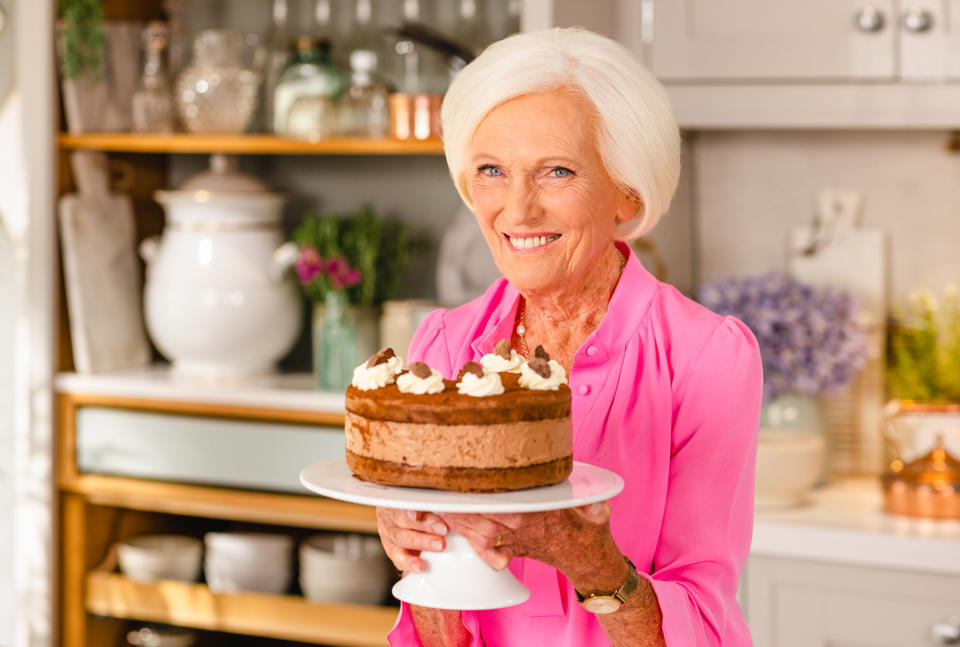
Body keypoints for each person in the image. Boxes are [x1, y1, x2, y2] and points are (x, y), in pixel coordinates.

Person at [376, 27, 763, 647]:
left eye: (556, 171)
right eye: (492, 171)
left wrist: (591, 563)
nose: (518, 210)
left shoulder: (705, 356)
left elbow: (706, 627)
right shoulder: (442, 345)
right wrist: (418, 556)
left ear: (625, 194)